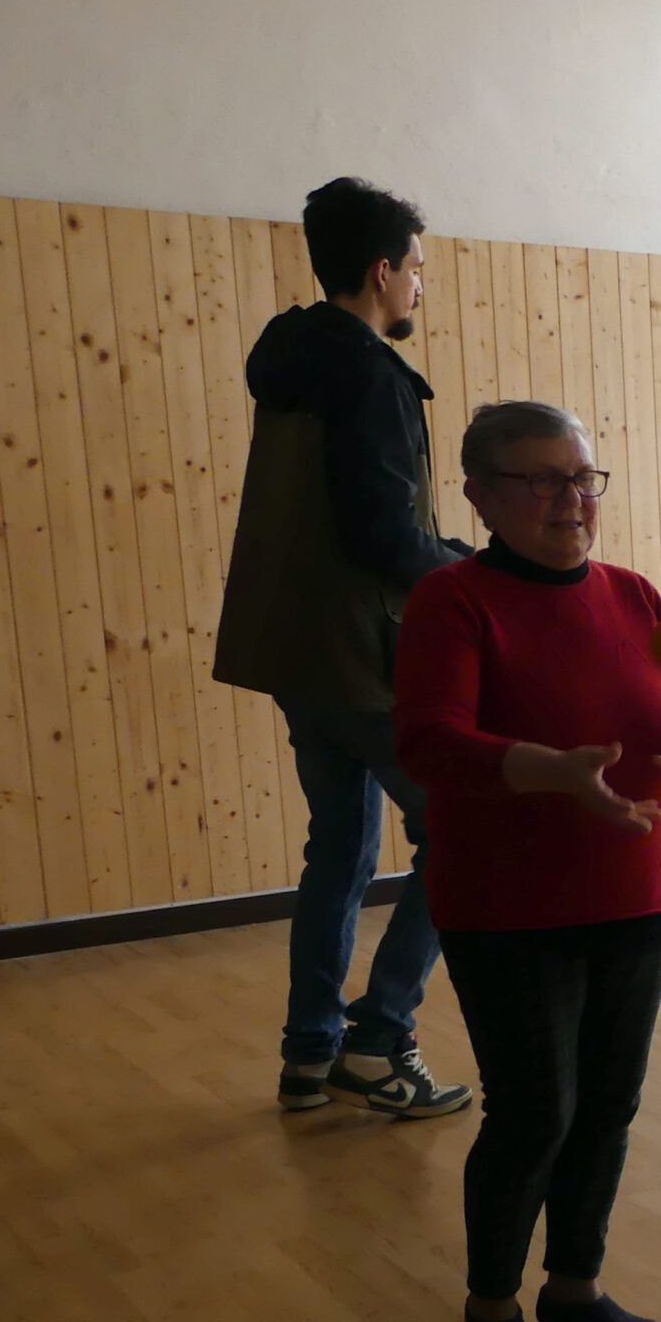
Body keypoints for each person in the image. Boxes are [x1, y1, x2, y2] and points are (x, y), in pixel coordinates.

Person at [395, 402, 661, 1322]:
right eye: (540, 480)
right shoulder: (451, 602)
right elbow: (427, 743)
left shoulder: (632, 595)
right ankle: (492, 1308)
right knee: (534, 1114)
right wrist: (547, 770)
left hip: (634, 893)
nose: (569, 499)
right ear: (480, 495)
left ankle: (574, 1287)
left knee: (608, 1107)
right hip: (507, 907)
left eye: (582, 477)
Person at [212, 176, 471, 1119]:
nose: (418, 288)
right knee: (466, 834)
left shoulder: (293, 358)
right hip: (362, 650)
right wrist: (468, 569)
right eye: (415, 270)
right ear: (380, 270)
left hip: (293, 652)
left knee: (342, 848)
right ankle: (378, 1037)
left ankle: (309, 1054)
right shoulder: (368, 374)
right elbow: (381, 534)